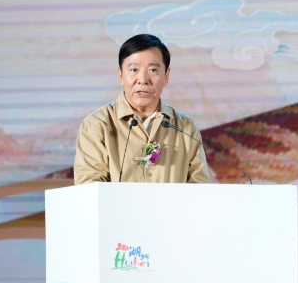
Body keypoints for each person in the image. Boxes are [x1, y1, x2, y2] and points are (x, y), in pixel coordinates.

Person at [74, 34, 211, 184]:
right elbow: (90, 188)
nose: (143, 79)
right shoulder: (97, 125)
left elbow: (200, 189)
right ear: (120, 75)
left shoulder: (185, 128)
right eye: (134, 69)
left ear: (166, 76)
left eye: (153, 70)